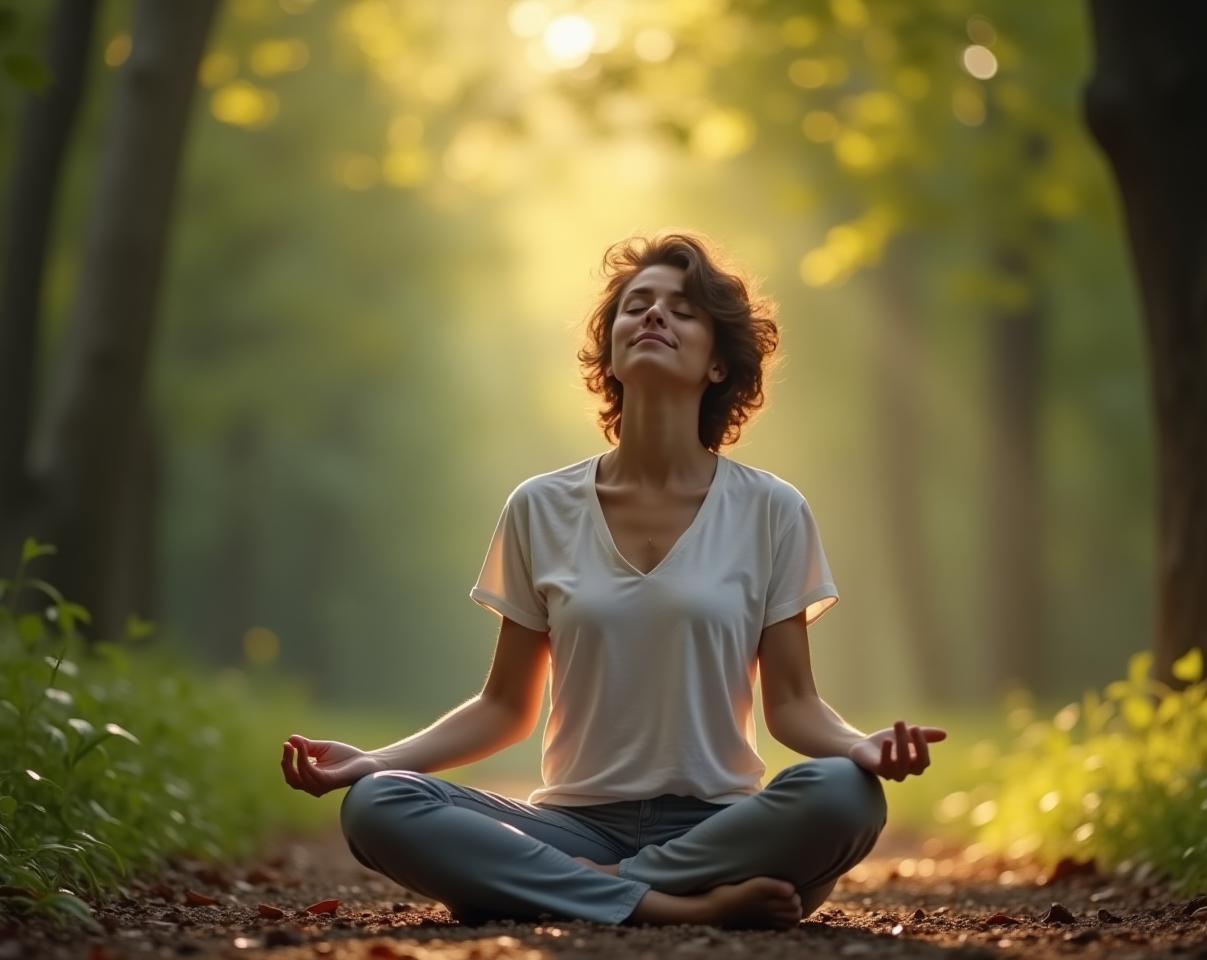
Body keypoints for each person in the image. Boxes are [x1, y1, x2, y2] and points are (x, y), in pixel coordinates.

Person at [280, 231, 947, 929]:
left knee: (846, 793)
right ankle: (676, 908)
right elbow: (504, 707)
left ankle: (586, 889)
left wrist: (858, 747)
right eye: (637, 305)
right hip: (574, 826)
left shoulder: (772, 510)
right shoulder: (540, 506)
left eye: (683, 311)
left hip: (721, 831)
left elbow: (794, 705)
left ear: (719, 364)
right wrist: (372, 761)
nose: (655, 314)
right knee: (378, 803)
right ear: (613, 349)